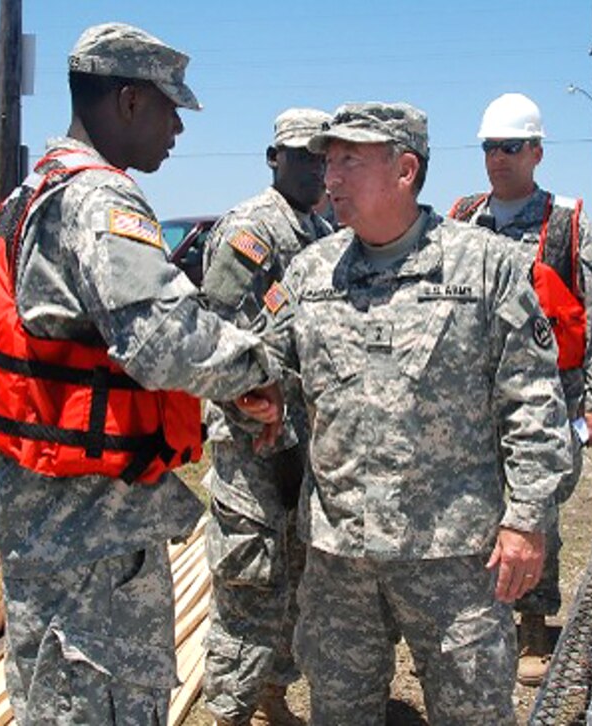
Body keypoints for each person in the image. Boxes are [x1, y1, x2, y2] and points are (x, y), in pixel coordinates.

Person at [0, 23, 282, 725]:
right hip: (92, 539)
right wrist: (263, 367)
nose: (177, 127)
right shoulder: (99, 200)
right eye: (171, 108)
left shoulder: (35, 190)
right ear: (129, 101)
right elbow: (165, 340)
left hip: (55, 523)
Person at [263, 102, 573, 724]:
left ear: (405, 170)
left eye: (349, 160)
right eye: (327, 161)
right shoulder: (310, 272)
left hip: (454, 558)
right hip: (339, 557)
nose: (331, 177)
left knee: (473, 714)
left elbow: (533, 402)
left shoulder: (485, 268)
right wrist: (256, 399)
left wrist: (527, 519)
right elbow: (265, 372)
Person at [449, 92, 592, 685]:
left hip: (552, 402)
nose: (498, 158)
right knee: (475, 509)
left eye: (511, 146)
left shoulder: (568, 225)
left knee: (539, 512)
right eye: (489, 147)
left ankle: (532, 628)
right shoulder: (462, 219)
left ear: (537, 152)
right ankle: (479, 617)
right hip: (476, 401)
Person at [199, 107, 332, 726]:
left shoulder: (322, 230)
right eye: (301, 155)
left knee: (295, 577)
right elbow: (216, 334)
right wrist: (257, 408)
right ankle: (230, 710)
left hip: (300, 435)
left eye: (323, 155)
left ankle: (272, 697)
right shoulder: (252, 230)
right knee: (249, 581)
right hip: (250, 438)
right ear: (274, 157)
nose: (315, 166)